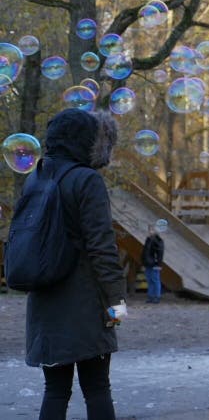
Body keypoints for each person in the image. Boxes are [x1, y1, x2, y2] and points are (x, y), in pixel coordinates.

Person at [25, 109, 127, 419]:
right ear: (84, 141)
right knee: (97, 388)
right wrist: (116, 303)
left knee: (55, 391)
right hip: (85, 303)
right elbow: (102, 248)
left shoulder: (38, 177)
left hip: (44, 299)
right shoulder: (87, 180)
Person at [141, 225, 164, 304]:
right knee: (149, 280)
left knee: (155, 280)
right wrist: (143, 263)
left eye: (152, 230)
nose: (150, 231)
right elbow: (145, 252)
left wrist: (158, 264)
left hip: (154, 263)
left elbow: (160, 253)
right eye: (149, 230)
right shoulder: (148, 239)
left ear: (156, 231)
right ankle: (150, 296)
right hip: (148, 263)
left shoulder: (158, 240)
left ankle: (157, 297)